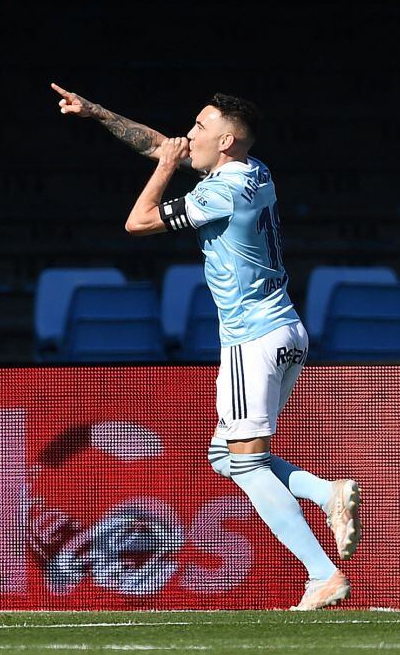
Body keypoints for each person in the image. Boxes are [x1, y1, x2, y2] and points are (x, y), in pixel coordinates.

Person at [50, 82, 361, 610]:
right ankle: (323, 493)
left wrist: (166, 167)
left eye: (199, 126)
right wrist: (96, 112)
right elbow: (158, 143)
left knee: (245, 464)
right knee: (226, 455)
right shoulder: (253, 169)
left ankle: (322, 573)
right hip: (286, 331)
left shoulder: (220, 193)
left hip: (251, 339)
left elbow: (138, 221)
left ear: (225, 142)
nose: (188, 133)